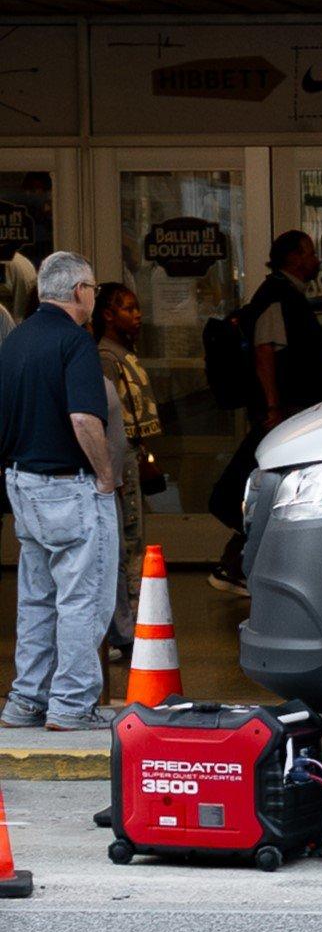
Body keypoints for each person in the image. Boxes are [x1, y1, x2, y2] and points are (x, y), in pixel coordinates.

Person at [0, 252, 120, 733]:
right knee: (81, 599)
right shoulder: (75, 342)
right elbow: (84, 418)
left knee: (36, 599)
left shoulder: (16, 339)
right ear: (79, 292)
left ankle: (26, 700)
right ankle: (71, 704)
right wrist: (105, 475)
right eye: (92, 287)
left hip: (22, 484)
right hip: (68, 488)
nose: (94, 294)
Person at [91, 278, 155, 666]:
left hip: (133, 452)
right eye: (128, 309)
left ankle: (129, 622)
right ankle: (125, 628)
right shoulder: (105, 357)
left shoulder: (124, 352)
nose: (137, 315)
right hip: (121, 453)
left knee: (134, 536)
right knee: (127, 538)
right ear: (108, 315)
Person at [244, 228, 322, 432]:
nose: (316, 261)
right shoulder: (277, 296)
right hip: (289, 406)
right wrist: (273, 406)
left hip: (296, 403)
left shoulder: (289, 293)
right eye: (310, 254)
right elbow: (264, 352)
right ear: (295, 258)